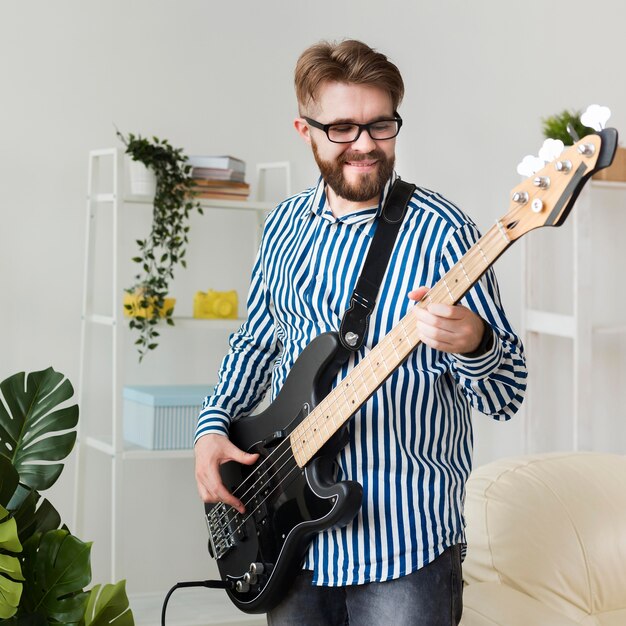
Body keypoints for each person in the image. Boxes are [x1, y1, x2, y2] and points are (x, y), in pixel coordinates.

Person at [194, 39, 527, 625]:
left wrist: (472, 342)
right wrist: (212, 427)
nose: (367, 144)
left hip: (407, 545)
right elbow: (254, 341)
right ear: (305, 129)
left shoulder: (445, 233)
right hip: (290, 539)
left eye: (381, 125)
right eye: (343, 127)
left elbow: (506, 396)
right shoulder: (284, 225)